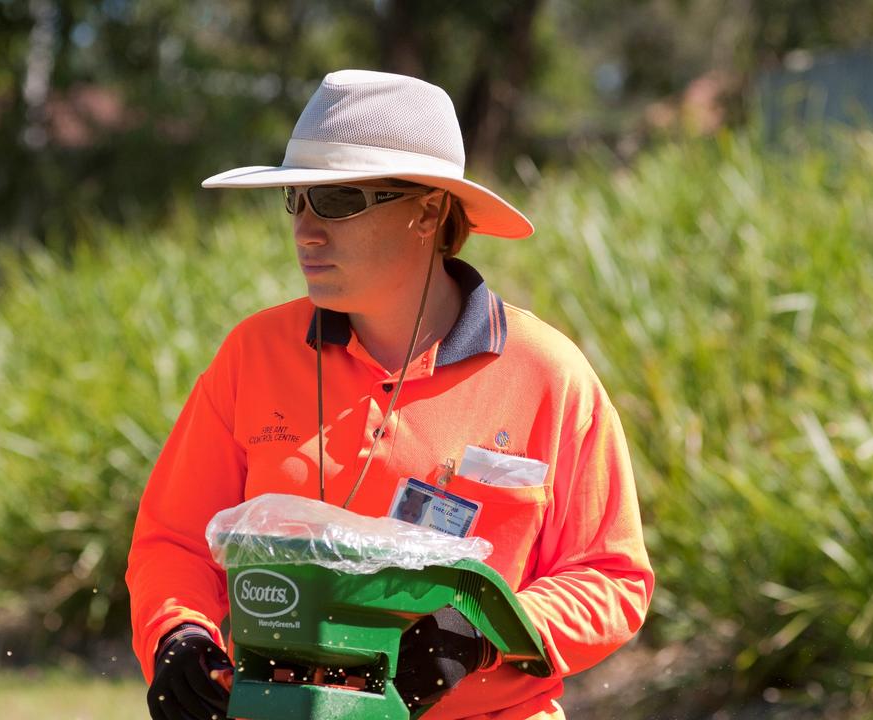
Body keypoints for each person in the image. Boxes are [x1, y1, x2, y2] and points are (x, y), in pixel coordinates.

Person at [127, 69, 654, 720]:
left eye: (340, 202)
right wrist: (180, 635)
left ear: (428, 211)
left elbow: (613, 577)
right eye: (296, 199)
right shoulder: (252, 355)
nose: (306, 229)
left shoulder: (548, 373)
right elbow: (173, 544)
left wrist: (482, 631)